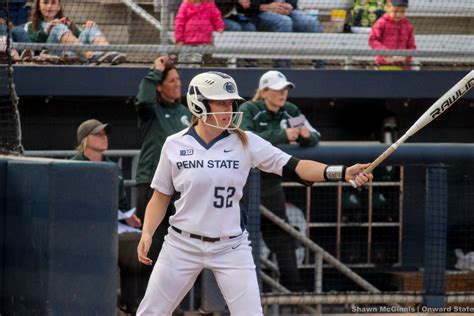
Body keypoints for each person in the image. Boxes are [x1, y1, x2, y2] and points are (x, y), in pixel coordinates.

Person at [136, 71, 373, 315]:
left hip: (230, 247)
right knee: (150, 312)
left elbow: (296, 166)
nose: (228, 109)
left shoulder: (246, 141)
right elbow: (160, 196)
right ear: (198, 103)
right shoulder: (175, 144)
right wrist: (147, 233)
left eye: (230, 103)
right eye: (221, 103)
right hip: (181, 244)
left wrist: (342, 172)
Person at [239, 70, 320, 291]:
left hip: (272, 187)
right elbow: (243, 137)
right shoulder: (250, 109)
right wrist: (281, 136)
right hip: (245, 188)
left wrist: (305, 136)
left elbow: (314, 135)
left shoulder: (291, 111)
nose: (282, 94)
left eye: (285, 89)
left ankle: (294, 290)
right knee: (240, 238)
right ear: (264, 92)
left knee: (282, 238)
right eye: (277, 89)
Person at [70, 119, 143, 313]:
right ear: (85, 139)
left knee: (134, 250)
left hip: (110, 229)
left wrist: (129, 218)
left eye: (105, 134)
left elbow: (122, 204)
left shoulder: (113, 167)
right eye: (98, 134)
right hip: (82, 232)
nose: (104, 138)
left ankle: (130, 306)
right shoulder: (72, 166)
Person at [134, 55, 191, 290]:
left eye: (179, 79)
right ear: (160, 85)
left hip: (180, 187)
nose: (177, 84)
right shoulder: (151, 111)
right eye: (171, 80)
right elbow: (144, 101)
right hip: (151, 183)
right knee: (152, 245)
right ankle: (143, 302)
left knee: (178, 245)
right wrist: (154, 71)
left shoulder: (186, 112)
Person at [13, 0, 126, 64]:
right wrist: (47, 30)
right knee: (58, 27)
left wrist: (89, 26)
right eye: (45, 2)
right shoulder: (30, 26)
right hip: (51, 58)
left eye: (53, 3)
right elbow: (34, 45)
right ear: (39, 6)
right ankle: (91, 55)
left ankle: (108, 53)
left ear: (59, 6)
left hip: (72, 56)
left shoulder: (66, 22)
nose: (49, 6)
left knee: (90, 28)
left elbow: (81, 37)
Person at [255, 0, 323, 68]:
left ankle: (320, 67)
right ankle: (282, 68)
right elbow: (248, 4)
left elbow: (293, 2)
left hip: (286, 10)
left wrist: (289, 6)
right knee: (284, 22)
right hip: (259, 12)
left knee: (311, 23)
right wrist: (264, 7)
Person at [174, 0, 225, 66]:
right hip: (187, 42)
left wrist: (219, 27)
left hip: (203, 41)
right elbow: (179, 23)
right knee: (183, 61)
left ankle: (194, 73)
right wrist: (179, 39)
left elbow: (216, 17)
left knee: (195, 62)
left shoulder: (209, 4)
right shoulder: (185, 5)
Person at [368, 0, 416, 70]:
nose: (399, 15)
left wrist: (405, 57)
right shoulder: (381, 22)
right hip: (383, 64)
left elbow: (411, 46)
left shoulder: (408, 25)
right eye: (395, 11)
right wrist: (386, 53)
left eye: (402, 12)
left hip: (402, 66)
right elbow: (373, 40)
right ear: (388, 7)